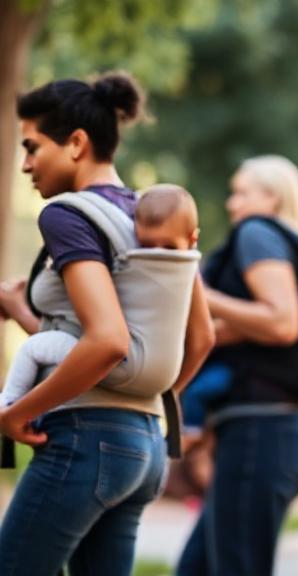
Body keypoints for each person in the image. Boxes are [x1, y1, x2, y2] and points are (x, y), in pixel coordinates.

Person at [0, 74, 214, 576]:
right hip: (143, 444)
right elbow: (201, 336)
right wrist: (143, 395)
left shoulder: (66, 216)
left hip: (84, 439)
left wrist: (14, 416)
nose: (26, 164)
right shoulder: (156, 215)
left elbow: (108, 341)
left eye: (32, 147)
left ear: (76, 143)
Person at [177, 155, 298, 576]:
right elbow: (262, 324)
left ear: (272, 198)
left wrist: (197, 290)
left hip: (263, 431)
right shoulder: (293, 246)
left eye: (242, 192)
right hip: (272, 432)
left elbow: (282, 322)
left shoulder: (257, 233)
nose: (232, 203)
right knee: (197, 568)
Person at [1, 184, 202, 408]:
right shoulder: (186, 261)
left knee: (33, 348)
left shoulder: (76, 219)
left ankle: (7, 403)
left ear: (193, 238)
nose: (156, 254)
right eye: (145, 245)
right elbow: (204, 337)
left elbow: (105, 342)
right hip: (163, 377)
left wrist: (19, 414)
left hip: (119, 366)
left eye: (168, 248)